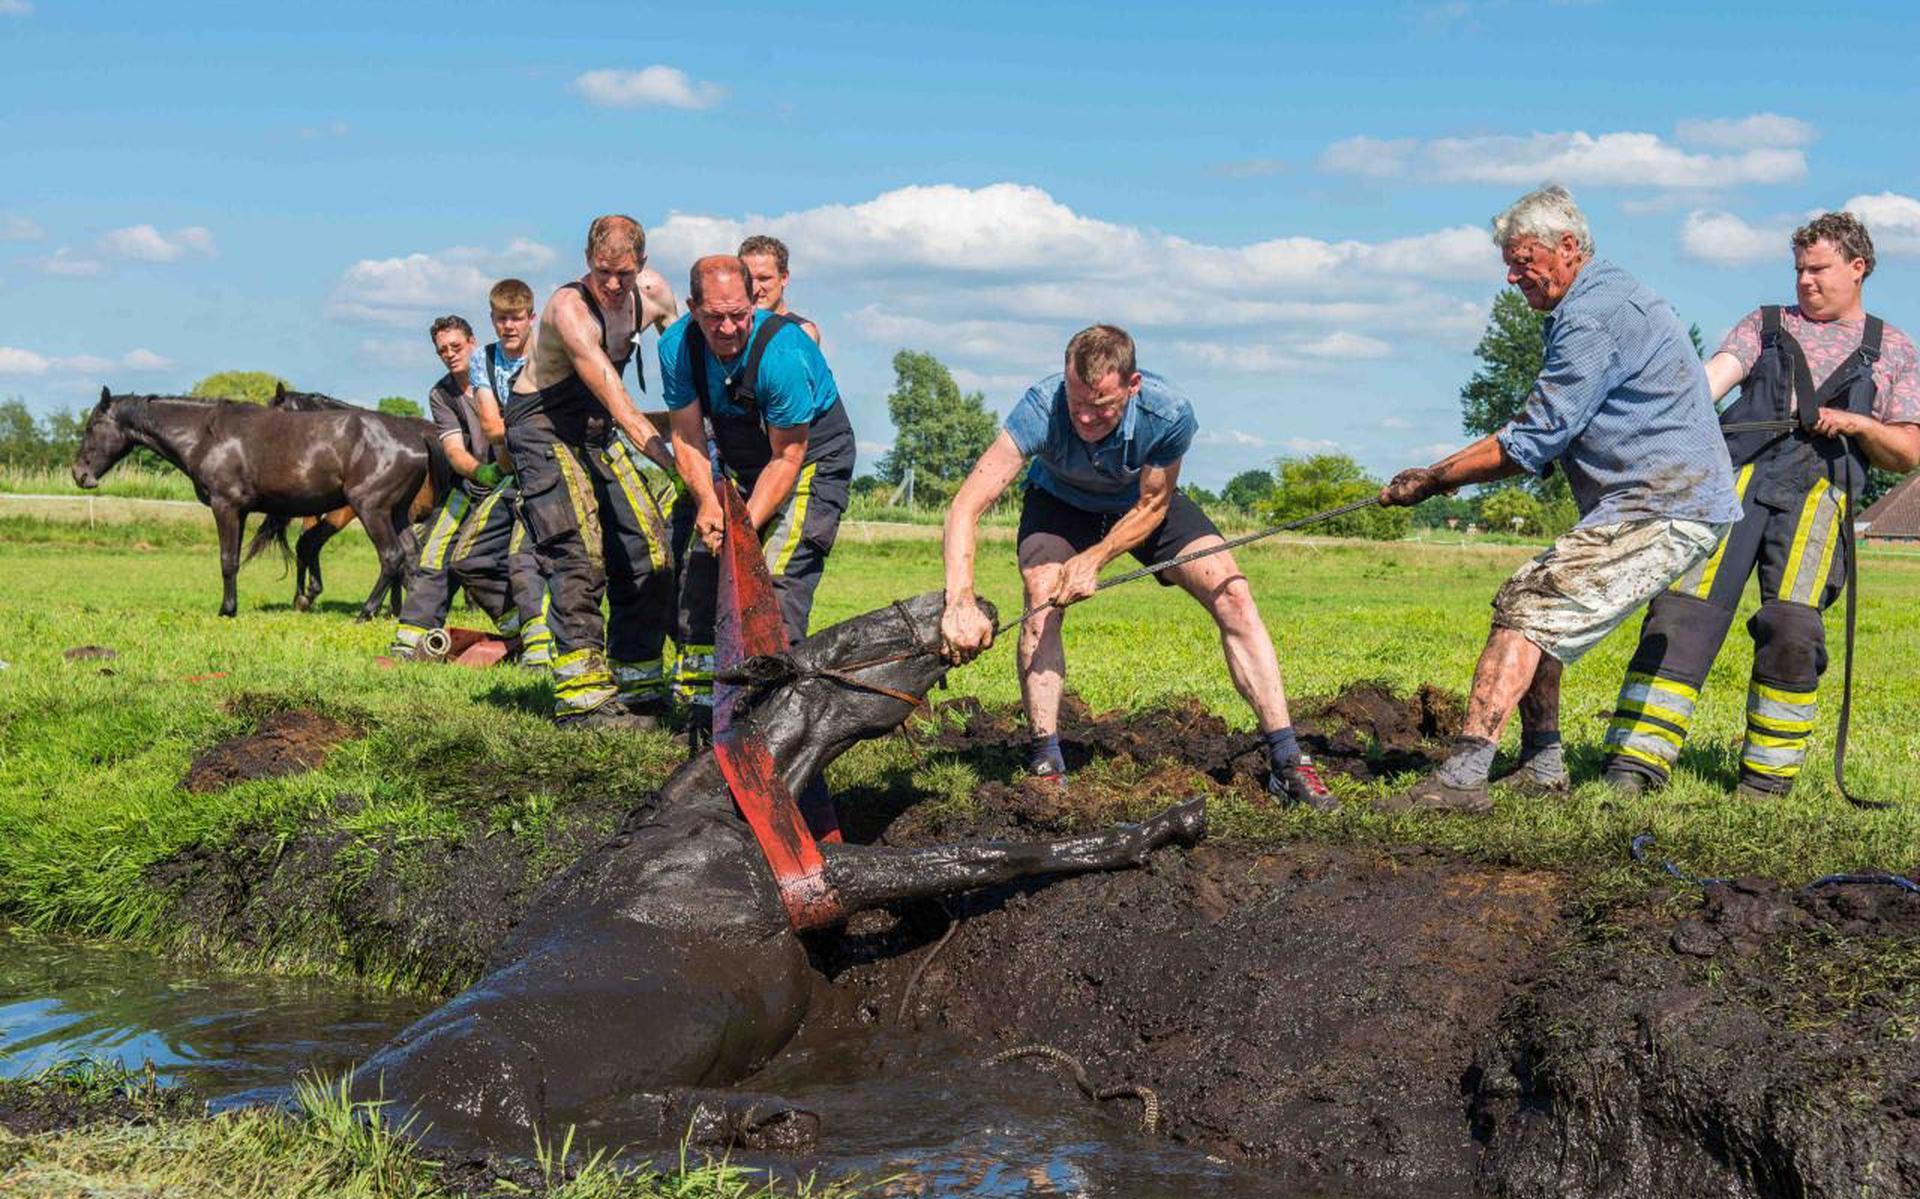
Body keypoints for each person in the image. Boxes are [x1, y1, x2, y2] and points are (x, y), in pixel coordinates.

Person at [1375, 185, 1742, 813]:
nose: (1514, 277)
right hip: (1659, 501)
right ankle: (1543, 765)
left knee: (1527, 608)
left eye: (1523, 261)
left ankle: (1463, 778)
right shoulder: (1604, 297)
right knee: (1541, 609)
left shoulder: (1592, 314)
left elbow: (1535, 437)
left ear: (1568, 247)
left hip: (1663, 506)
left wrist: (1436, 478)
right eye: (1510, 264)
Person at [938, 324, 1335, 808]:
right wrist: (958, 600)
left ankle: (1288, 761)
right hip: (1059, 501)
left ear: (1133, 385)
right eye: (1076, 400)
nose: (1084, 417)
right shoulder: (1041, 406)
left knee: (1233, 592)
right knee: (1041, 595)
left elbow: (1152, 507)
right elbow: (966, 506)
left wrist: (1095, 558)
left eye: (1101, 405)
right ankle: (1046, 762)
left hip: (1140, 506)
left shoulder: (1168, 414)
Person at [1601, 212, 1920, 799]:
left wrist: (1855, 423)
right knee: (1682, 615)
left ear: (1858, 268)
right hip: (1733, 485)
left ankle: (1765, 781)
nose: (1804, 281)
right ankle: (1634, 763)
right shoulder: (1765, 326)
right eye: (1799, 269)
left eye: (1818, 269)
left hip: (1819, 501)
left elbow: (1906, 452)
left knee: (1793, 627)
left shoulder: (1894, 349)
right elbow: (1707, 386)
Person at [660, 254, 856, 738]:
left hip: (810, 459)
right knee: (703, 571)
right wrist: (707, 501)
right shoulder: (676, 347)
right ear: (692, 307)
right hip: (741, 457)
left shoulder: (782, 354)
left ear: (754, 303)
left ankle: (774, 718)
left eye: (738, 315)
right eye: (713, 317)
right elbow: (686, 438)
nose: (727, 328)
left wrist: (740, 528)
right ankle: (709, 709)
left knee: (775, 573)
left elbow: (788, 456)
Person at [503, 215, 680, 729]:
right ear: (587, 261)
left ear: (642, 267)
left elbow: (688, 363)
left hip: (597, 430)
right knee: (579, 553)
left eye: (623, 274)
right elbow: (616, 395)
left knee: (649, 548)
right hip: (543, 429)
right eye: (602, 271)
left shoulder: (655, 296)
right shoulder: (568, 309)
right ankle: (581, 697)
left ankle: (639, 681)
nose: (612, 284)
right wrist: (673, 462)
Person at [387, 315, 531, 657]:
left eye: (456, 346)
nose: (450, 354)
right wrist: (481, 473)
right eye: (442, 351)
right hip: (472, 484)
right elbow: (453, 450)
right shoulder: (442, 394)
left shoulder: (506, 374)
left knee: (489, 560)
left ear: (472, 343)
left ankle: (529, 630)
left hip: (519, 483)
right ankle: (409, 642)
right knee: (434, 555)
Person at [467, 278, 554, 667]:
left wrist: (512, 431)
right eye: (502, 319)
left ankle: (540, 650)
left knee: (522, 557)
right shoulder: (482, 360)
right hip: (510, 473)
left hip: (550, 470)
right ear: (492, 319)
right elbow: (490, 426)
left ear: (531, 317)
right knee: (470, 558)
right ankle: (523, 630)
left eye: (516, 318)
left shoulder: (549, 355)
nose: (509, 327)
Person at [738, 234, 821, 343]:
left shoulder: (800, 331)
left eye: (764, 279)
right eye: (748, 279)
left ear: (783, 278)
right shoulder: (732, 329)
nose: (755, 288)